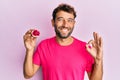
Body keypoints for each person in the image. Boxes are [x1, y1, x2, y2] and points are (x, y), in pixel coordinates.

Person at [23, 3, 103, 80]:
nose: (65, 24)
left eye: (70, 20)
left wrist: (98, 60)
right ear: (53, 22)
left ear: (74, 24)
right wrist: (29, 50)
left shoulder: (85, 48)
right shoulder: (44, 46)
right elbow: (28, 75)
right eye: (60, 19)